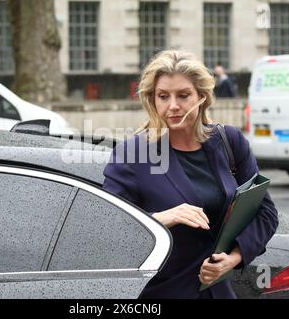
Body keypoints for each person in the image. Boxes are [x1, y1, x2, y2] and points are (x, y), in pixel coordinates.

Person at [102, 50, 278, 299]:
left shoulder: (229, 141)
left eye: (183, 95)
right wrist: (164, 217)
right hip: (160, 293)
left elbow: (266, 212)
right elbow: (109, 227)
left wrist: (232, 259)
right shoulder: (133, 153)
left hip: (218, 292)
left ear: (201, 98)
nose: (172, 105)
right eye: (163, 96)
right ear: (152, 100)